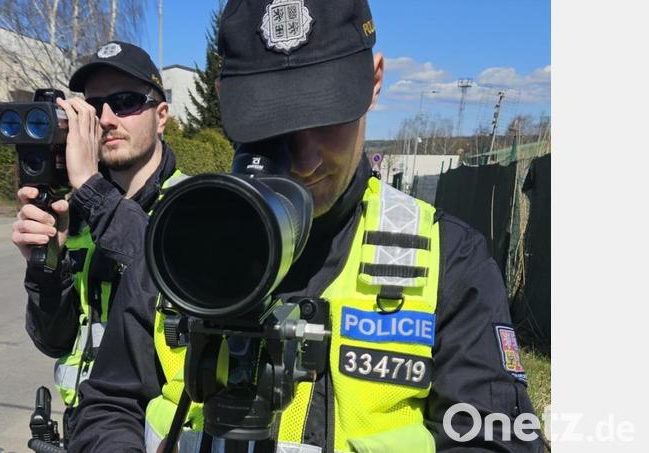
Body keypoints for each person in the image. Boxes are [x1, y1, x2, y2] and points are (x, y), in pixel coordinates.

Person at [68, 1, 542, 452]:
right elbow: (109, 404)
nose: (309, 159)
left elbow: (498, 436)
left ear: (373, 82)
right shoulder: (179, 241)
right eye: (271, 123)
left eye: (330, 115)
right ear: (224, 100)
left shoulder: (448, 258)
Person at [11, 40, 182, 442]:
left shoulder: (192, 206)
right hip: (85, 433)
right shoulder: (81, 213)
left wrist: (89, 185)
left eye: (124, 102)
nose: (106, 119)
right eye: (94, 105)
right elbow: (55, 341)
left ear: (161, 117)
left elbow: (157, 266)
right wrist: (46, 265)